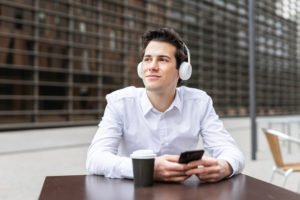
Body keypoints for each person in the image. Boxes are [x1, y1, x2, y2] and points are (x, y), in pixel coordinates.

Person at [86, 28, 244, 183]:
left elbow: (232, 152)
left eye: (162, 59)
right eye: (147, 59)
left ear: (182, 70)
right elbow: (95, 159)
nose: (152, 66)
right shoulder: (120, 102)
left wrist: (225, 166)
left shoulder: (199, 103)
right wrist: (147, 168)